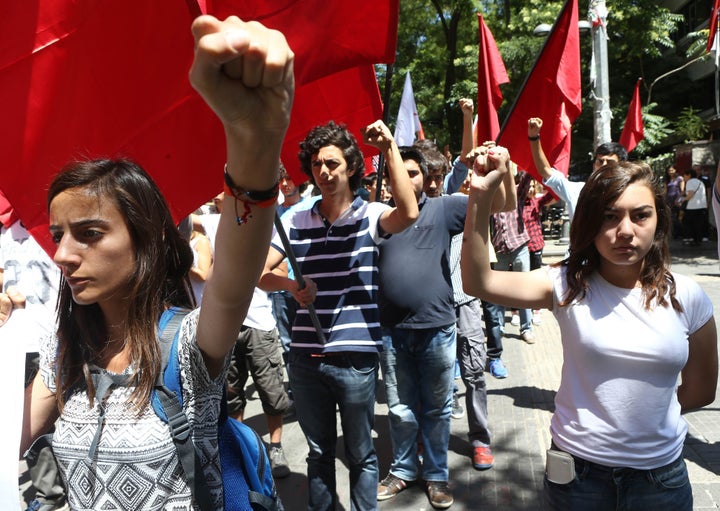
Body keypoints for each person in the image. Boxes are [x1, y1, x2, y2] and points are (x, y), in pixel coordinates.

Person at [18, 15, 294, 510]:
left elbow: (233, 281)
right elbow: (7, 440)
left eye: (89, 233)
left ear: (144, 240)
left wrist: (255, 139)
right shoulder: (65, 349)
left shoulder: (187, 348)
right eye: (58, 235)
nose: (61, 254)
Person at [462, 148, 718, 510]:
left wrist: (647, 418)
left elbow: (702, 391)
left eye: (640, 215)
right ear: (589, 222)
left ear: (658, 220)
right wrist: (480, 196)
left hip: (660, 480)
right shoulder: (566, 284)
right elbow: (478, 281)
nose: (625, 231)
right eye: (609, 217)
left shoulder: (688, 295)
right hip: (577, 478)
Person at [259, 119, 419, 511]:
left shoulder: (370, 215)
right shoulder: (297, 218)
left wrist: (389, 150)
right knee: (317, 453)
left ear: (350, 167)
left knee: (362, 454)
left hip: (355, 357)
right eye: (316, 164)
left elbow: (409, 213)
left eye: (332, 163)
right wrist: (290, 286)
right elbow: (260, 274)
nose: (324, 172)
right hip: (305, 356)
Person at [375, 147, 466, 509]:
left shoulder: (445, 207)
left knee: (437, 408)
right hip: (391, 331)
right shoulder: (378, 218)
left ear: (426, 178)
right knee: (399, 409)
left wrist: (493, 173)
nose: (404, 178)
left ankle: (436, 475)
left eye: (412, 172)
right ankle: (403, 470)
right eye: (398, 171)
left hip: (437, 328)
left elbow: (499, 204)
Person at [226, 287, 291, 479]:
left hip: (259, 323)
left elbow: (276, 272)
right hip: (224, 324)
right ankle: (240, 448)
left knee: (272, 392)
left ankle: (276, 447)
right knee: (231, 394)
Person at [528, 117, 628, 219]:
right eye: (600, 161)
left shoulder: (630, 194)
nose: (604, 165)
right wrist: (534, 138)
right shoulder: (579, 192)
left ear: (621, 166)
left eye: (610, 162)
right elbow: (545, 170)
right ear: (594, 165)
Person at [679, 167, 707, 246]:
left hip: (692, 207)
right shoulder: (700, 182)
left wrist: (683, 200)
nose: (684, 178)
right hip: (702, 206)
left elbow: (690, 194)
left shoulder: (690, 182)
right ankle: (698, 240)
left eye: (685, 176)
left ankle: (691, 239)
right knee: (699, 224)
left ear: (689, 175)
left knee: (689, 223)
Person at [664, 165, 684, 238]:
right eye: (669, 171)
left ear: (675, 170)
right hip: (669, 200)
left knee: (678, 217)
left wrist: (678, 199)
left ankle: (680, 233)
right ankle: (674, 234)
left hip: (677, 200)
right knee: (671, 217)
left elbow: (682, 191)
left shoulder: (680, 179)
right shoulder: (667, 179)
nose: (670, 172)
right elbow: (665, 191)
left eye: (672, 170)